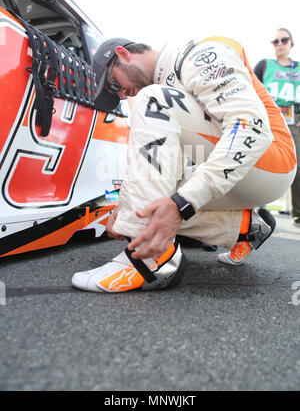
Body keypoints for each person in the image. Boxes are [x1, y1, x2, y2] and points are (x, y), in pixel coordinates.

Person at [71, 36, 297, 293]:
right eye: (117, 95)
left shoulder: (198, 54)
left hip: (272, 161)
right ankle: (243, 228)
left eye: (114, 85)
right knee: (131, 205)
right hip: (246, 172)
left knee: (152, 99)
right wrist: (125, 207)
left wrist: (182, 204)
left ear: (123, 54)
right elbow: (164, 168)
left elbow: (252, 130)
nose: (122, 94)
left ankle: (148, 260)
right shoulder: (167, 86)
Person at [254, 28, 300, 226]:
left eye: (284, 39)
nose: (279, 43)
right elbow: (251, 88)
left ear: (291, 43)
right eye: (275, 40)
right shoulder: (264, 65)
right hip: (268, 117)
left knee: (297, 166)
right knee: (261, 161)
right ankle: (255, 210)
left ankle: (298, 214)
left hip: (294, 119)